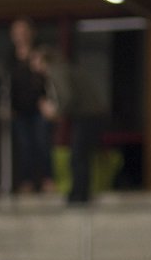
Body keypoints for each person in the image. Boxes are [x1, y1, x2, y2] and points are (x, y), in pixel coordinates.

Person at [34, 47, 107, 206]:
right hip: (88, 115)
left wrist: (55, 112)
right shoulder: (63, 69)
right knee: (80, 155)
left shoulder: (56, 71)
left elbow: (67, 97)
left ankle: (79, 195)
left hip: (87, 115)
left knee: (78, 155)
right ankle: (79, 193)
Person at [8, 18, 54, 194]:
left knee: (42, 143)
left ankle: (47, 179)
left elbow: (50, 78)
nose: (21, 36)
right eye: (17, 32)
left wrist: (48, 100)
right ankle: (27, 181)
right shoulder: (10, 57)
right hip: (19, 110)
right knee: (24, 146)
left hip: (40, 108)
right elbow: (7, 83)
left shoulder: (40, 53)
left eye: (24, 31)